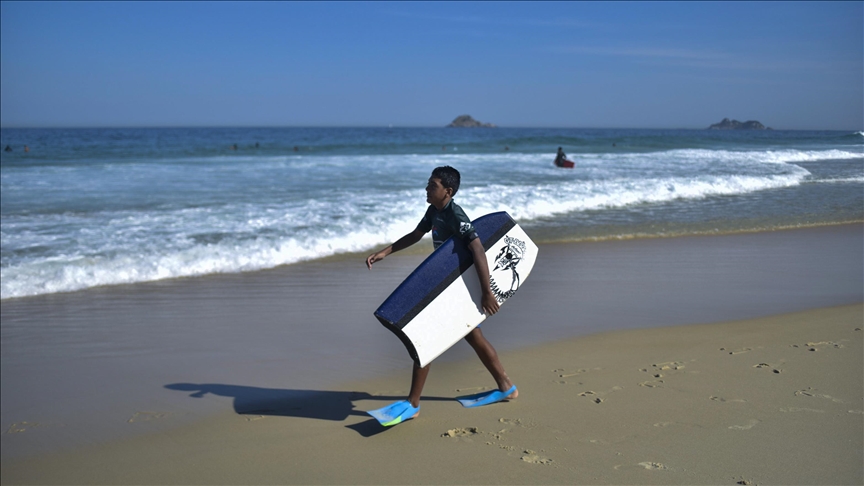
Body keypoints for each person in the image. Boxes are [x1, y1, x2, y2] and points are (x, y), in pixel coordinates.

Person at [365, 166, 518, 424]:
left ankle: (413, 403)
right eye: (428, 184)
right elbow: (416, 234)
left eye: (432, 185)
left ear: (447, 191)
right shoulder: (434, 211)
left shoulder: (455, 215)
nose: (426, 188)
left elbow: (478, 250)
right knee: (474, 337)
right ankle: (506, 386)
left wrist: (487, 293)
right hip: (448, 286)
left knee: (427, 338)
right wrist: (385, 252)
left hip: (457, 288)